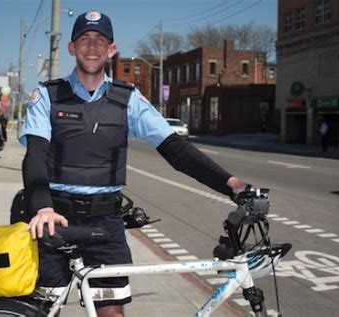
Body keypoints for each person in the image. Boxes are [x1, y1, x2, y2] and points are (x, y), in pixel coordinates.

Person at [19, 11, 250, 317]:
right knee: (43, 311)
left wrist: (230, 183)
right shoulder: (48, 96)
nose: (92, 46)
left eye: (100, 40)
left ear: (111, 49)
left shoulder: (128, 99)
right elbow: (35, 155)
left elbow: (175, 149)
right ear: (71, 48)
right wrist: (42, 206)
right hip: (55, 219)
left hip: (106, 225)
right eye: (84, 39)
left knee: (112, 313)